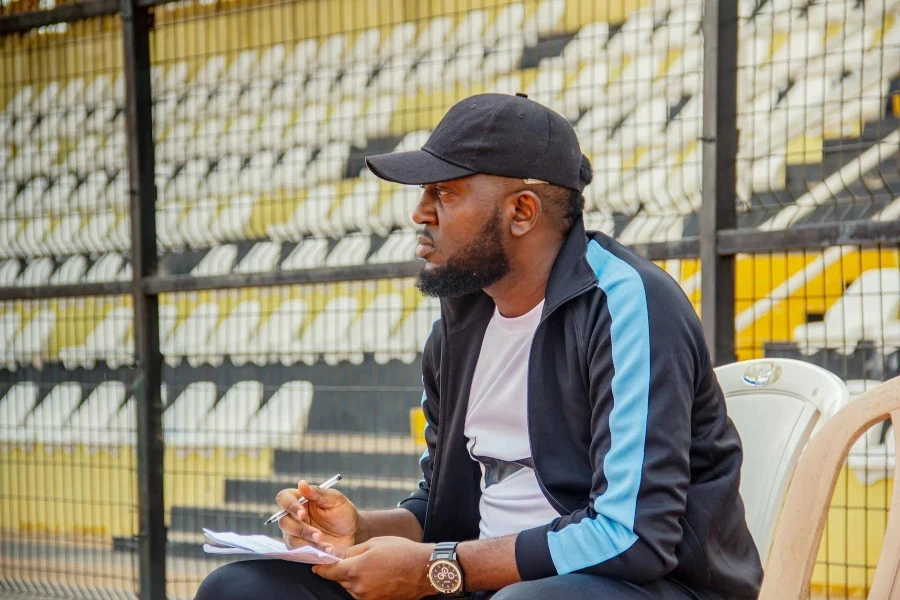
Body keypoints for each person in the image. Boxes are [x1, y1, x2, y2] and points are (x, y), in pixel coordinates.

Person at [195, 93, 763, 600]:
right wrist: (362, 531)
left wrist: (434, 569)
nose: (420, 212)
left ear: (521, 211)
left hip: (648, 587)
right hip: (480, 580)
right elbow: (443, 509)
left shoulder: (628, 305)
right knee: (242, 588)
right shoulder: (461, 324)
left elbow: (631, 536)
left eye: (445, 191)